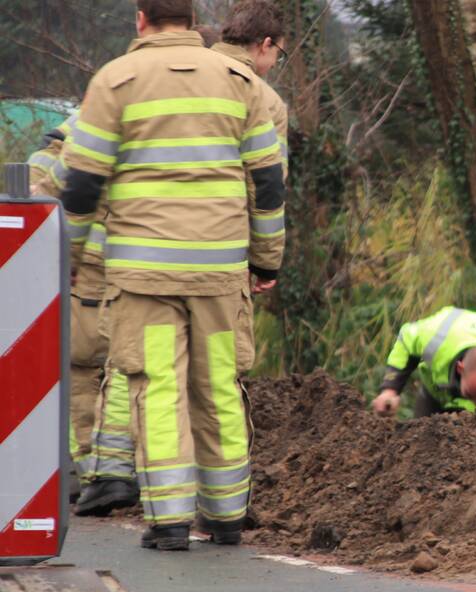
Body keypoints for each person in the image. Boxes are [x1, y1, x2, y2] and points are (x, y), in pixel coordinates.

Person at [60, 0, 285, 552]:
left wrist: (67, 260)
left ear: (141, 19)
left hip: (146, 278)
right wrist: (266, 259)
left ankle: (170, 522)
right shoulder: (240, 82)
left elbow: (83, 186)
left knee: (158, 387)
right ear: (190, 19)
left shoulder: (116, 80)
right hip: (219, 273)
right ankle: (227, 517)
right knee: (219, 385)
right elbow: (267, 181)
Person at [29, 114, 140, 515]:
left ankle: (92, 471)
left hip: (90, 272)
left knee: (81, 370)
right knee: (130, 368)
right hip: (144, 269)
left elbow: (44, 204)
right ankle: (124, 467)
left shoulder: (71, 144)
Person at [372, 307, 476, 435]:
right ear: (460, 368)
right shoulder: (436, 336)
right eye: (471, 395)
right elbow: (406, 342)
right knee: (418, 441)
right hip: (436, 393)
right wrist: (390, 390)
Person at [210, 0, 289, 180]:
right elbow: (271, 178)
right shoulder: (268, 100)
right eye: (278, 54)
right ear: (266, 45)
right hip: (232, 197)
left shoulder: (184, 73)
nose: (274, 64)